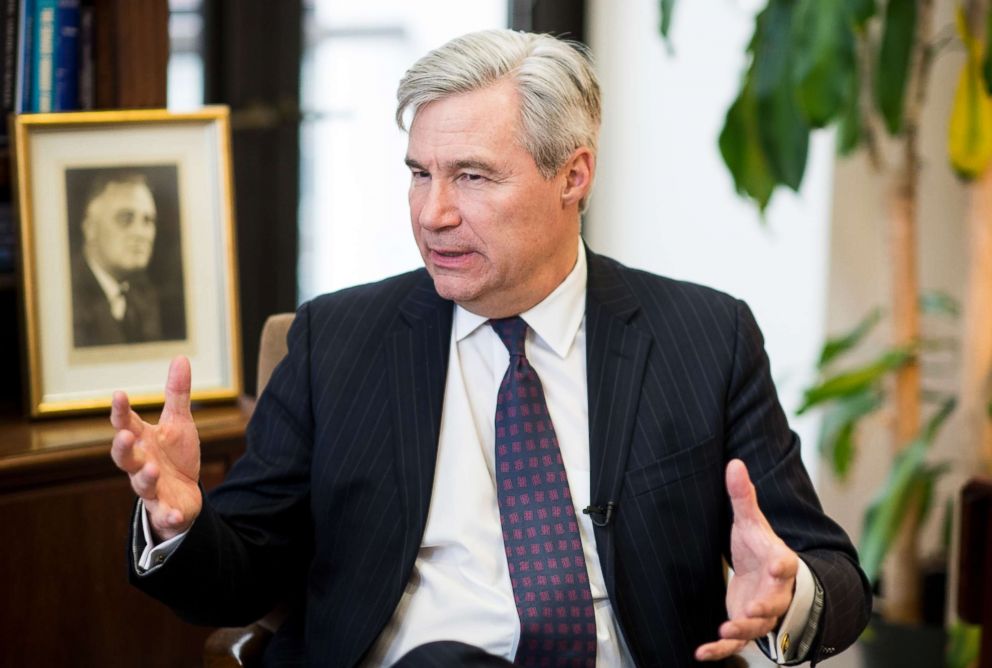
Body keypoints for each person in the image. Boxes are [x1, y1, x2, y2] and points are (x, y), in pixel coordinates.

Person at [110, 30, 870, 666]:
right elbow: (242, 578)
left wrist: (789, 592)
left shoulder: (704, 337)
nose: (433, 213)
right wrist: (181, 524)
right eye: (419, 175)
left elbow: (834, 574)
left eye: (471, 176)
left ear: (574, 174)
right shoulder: (336, 342)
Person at [71, 170, 162, 347]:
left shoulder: (146, 296)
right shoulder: (67, 297)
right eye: (125, 219)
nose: (141, 233)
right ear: (90, 228)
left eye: (148, 221)